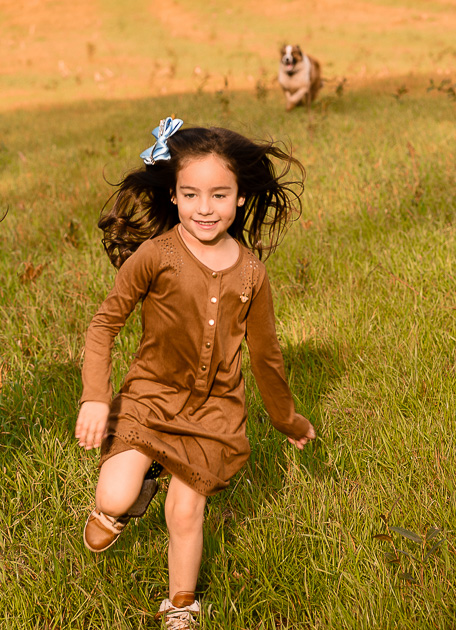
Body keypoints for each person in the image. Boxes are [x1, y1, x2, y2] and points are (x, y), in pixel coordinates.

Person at [75, 118, 316, 628]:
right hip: (151, 399)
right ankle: (126, 495)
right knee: (114, 494)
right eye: (191, 195)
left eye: (219, 195)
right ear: (174, 195)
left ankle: (181, 605)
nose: (205, 208)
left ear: (241, 198)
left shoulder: (252, 274)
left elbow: (266, 355)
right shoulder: (155, 255)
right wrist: (95, 396)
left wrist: (286, 417)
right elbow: (104, 325)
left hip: (213, 415)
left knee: (185, 512)